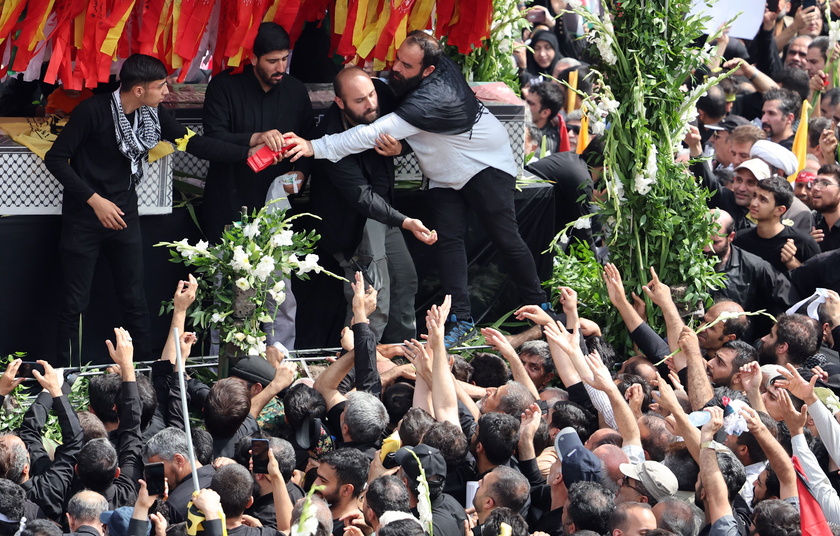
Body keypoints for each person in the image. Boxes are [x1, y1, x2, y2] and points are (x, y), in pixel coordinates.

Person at [283, 30, 548, 347]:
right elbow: (418, 136)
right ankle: (460, 320)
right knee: (448, 243)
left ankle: (542, 307)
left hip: (483, 163)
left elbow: (373, 134)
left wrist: (313, 147)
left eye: (407, 66)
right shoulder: (412, 76)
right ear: (339, 101)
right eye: (398, 60)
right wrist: (402, 150)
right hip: (436, 174)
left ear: (429, 71)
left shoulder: (428, 97)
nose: (396, 69)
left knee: (505, 238)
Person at [44, 53, 250, 366]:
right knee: (74, 304)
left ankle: (145, 371)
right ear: (139, 90)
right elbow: (56, 159)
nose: (167, 92)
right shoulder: (93, 111)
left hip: (125, 213)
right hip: (85, 217)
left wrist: (248, 152)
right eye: (161, 86)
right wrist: (94, 200)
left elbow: (195, 144)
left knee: (134, 297)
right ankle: (66, 376)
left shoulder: (153, 115)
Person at [202, 22, 315, 349]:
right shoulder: (224, 86)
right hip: (230, 202)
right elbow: (212, 140)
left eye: (284, 59)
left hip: (277, 207)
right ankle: (225, 367)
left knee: (280, 293)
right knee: (236, 295)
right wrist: (255, 139)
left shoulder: (295, 90)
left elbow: (309, 144)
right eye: (272, 61)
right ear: (253, 59)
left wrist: (302, 174)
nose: (280, 68)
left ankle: (282, 363)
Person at [310, 66, 436, 342]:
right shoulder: (329, 137)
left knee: (405, 280)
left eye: (371, 95)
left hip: (385, 211)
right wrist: (406, 221)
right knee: (372, 299)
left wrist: (403, 148)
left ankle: (402, 358)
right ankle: (357, 369)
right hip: (355, 221)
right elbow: (361, 198)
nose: (370, 105)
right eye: (360, 101)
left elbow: (421, 127)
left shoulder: (381, 96)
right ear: (340, 103)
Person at [732, 177, 820, 273]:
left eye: (763, 200)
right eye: (754, 196)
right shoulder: (739, 239)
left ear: (779, 210)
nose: (753, 203)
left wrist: (792, 263)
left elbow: (817, 282)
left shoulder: (803, 243)